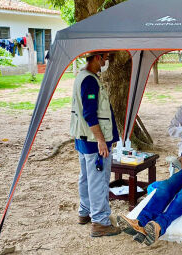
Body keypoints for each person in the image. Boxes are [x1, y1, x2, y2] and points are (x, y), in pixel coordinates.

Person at [70, 51, 121, 237]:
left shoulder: (82, 76)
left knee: (85, 176)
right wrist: (101, 140)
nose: (106, 61)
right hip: (93, 140)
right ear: (97, 58)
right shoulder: (90, 80)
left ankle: (85, 211)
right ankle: (100, 222)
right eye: (105, 58)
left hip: (83, 137)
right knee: (98, 180)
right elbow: (90, 113)